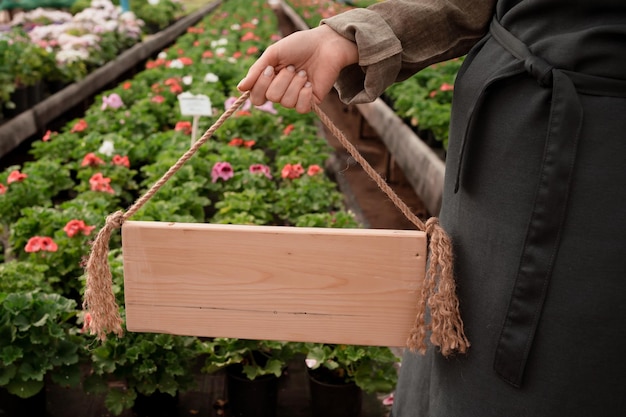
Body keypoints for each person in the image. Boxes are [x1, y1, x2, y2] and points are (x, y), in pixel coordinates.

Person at [238, 0, 626, 416]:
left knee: (550, 363)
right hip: (503, 138)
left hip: (596, 153)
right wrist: (346, 36)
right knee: (460, 322)